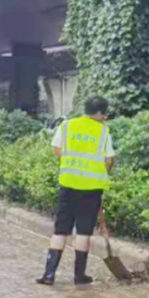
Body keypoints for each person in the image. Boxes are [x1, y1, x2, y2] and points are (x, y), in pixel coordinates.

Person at [36, 96, 116, 286]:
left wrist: (71, 162)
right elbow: (109, 160)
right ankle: (79, 276)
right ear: (100, 113)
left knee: (60, 230)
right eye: (104, 113)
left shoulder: (67, 125)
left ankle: (49, 275)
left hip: (68, 184)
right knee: (83, 231)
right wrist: (100, 170)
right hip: (91, 188)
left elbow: (56, 148)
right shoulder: (103, 131)